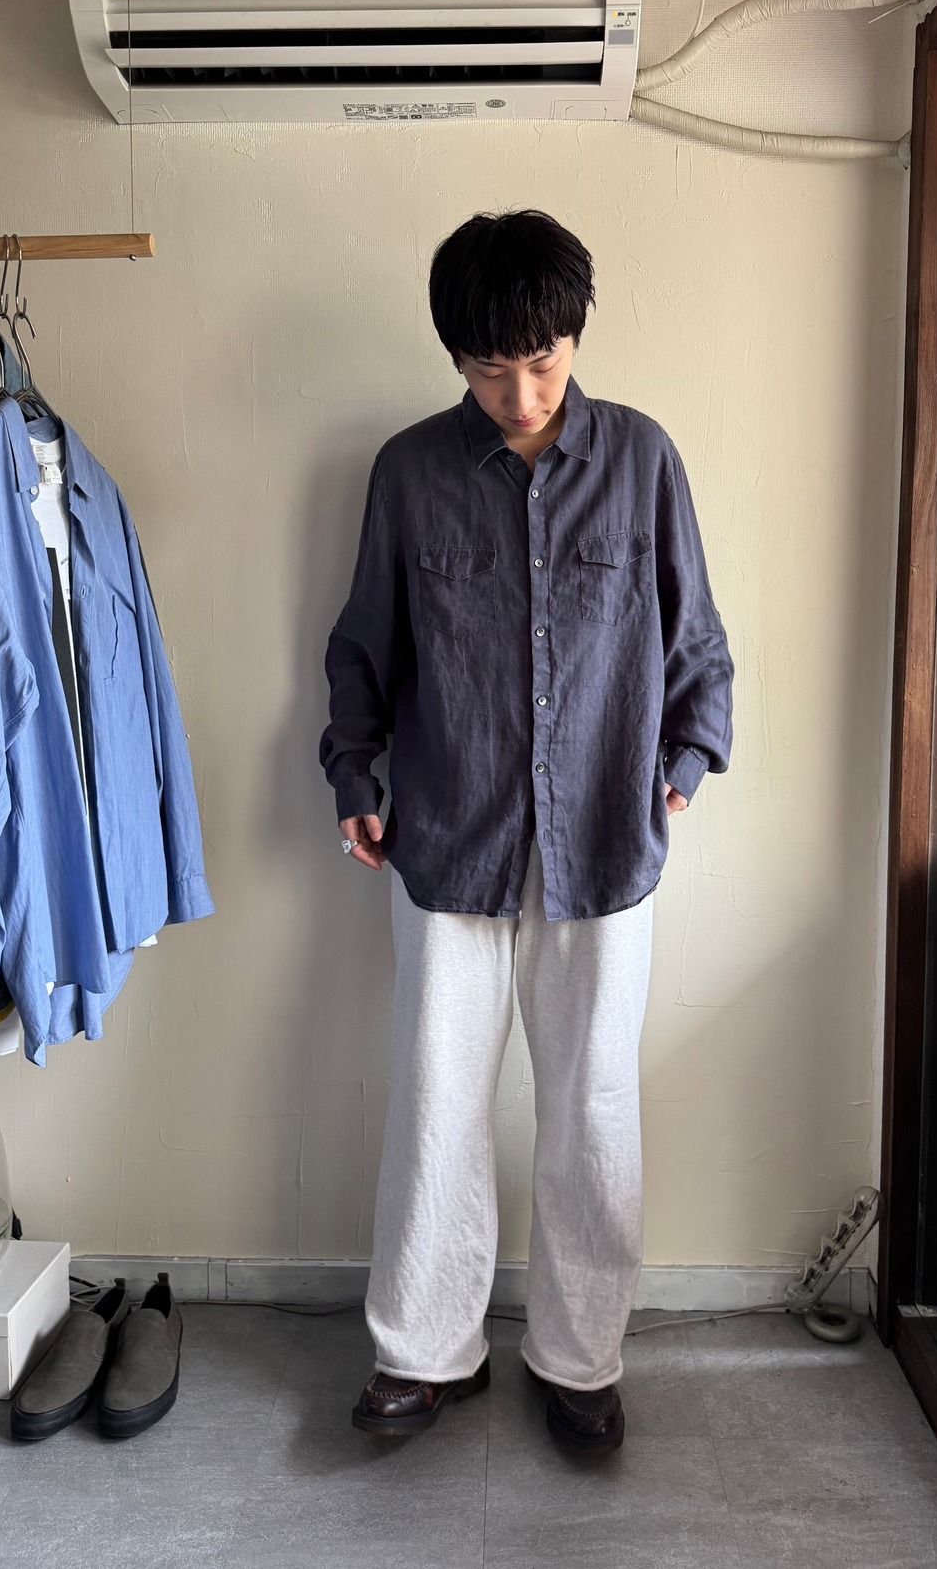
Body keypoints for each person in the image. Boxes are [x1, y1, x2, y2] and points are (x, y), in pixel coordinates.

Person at [319, 209, 733, 1454]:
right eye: (490, 368)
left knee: (592, 1109)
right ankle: (422, 1352)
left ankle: (578, 1359)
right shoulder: (408, 471)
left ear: (573, 337)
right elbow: (362, 648)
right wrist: (353, 775)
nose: (520, 393)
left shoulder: (642, 460)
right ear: (454, 355)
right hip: (447, 836)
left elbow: (696, 641)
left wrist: (684, 766)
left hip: (604, 839)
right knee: (436, 1102)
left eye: (542, 362)